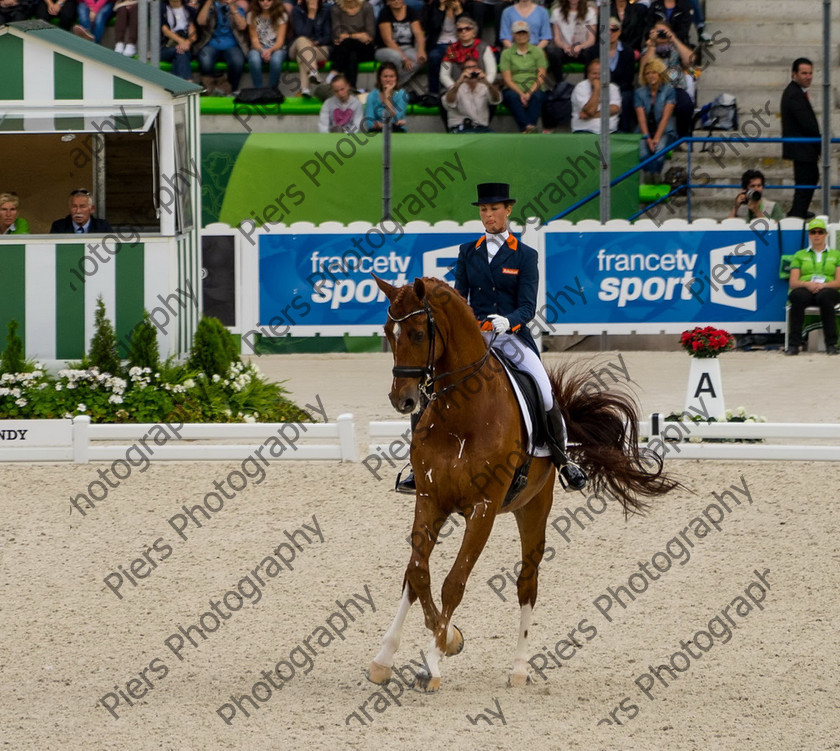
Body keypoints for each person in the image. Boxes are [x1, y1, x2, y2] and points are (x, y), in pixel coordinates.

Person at [395, 182, 587, 494]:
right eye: (484, 210)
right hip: (476, 337)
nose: (489, 215)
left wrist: (508, 320)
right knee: (428, 388)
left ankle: (563, 459)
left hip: (512, 338)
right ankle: (417, 465)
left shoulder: (525, 255)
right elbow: (459, 298)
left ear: (508, 210)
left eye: (494, 209)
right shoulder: (468, 252)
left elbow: (527, 306)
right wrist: (470, 324)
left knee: (543, 388)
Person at [785, 217, 840, 356]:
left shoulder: (836, 255)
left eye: (820, 232)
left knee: (826, 297)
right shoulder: (799, 255)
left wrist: (824, 285)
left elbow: (839, 281)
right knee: (797, 296)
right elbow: (793, 281)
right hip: (806, 288)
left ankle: (831, 344)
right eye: (813, 232)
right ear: (809, 234)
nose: (816, 235)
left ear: (825, 234)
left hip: (828, 289)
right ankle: (794, 345)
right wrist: (807, 284)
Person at [639, 20, 695, 137]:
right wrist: (653, 44)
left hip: (675, 88)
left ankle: (683, 137)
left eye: (664, 32)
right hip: (654, 89)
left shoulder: (675, 49)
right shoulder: (649, 49)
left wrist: (674, 39)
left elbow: (691, 60)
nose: (662, 35)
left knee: (686, 104)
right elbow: (644, 67)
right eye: (659, 32)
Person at [781, 57, 821, 219]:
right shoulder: (794, 94)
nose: (808, 76)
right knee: (805, 184)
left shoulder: (797, 92)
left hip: (804, 150)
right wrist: (819, 143)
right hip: (802, 149)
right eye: (804, 73)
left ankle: (798, 212)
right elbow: (808, 124)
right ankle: (796, 216)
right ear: (794, 74)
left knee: (808, 181)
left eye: (810, 73)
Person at [634, 56, 676, 183]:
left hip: (664, 131)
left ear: (660, 74)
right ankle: (651, 175)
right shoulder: (639, 93)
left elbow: (665, 117)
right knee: (643, 154)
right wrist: (647, 138)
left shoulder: (669, 91)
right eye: (647, 73)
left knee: (658, 154)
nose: (651, 76)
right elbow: (641, 118)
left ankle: (653, 176)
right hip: (644, 131)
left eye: (654, 72)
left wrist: (656, 138)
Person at [499, 20, 547, 133]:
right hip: (513, 89)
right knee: (511, 96)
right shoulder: (506, 53)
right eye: (518, 33)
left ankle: (526, 129)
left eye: (524, 33)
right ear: (513, 35)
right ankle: (528, 128)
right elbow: (507, 79)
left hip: (534, 88)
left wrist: (528, 93)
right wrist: (522, 94)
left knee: (538, 96)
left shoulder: (537, 51)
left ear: (529, 34)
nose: (521, 36)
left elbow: (541, 76)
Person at [196, 0, 249, 95]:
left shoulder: (237, 8)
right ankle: (208, 89)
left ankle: (231, 91)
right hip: (211, 45)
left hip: (232, 46)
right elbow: (201, 21)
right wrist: (208, 2)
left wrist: (232, 8)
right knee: (205, 60)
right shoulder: (211, 8)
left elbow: (242, 26)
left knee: (237, 62)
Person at [375, 0, 426, 90]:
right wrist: (404, 58)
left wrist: (421, 50)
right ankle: (391, 87)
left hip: (407, 47)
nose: (396, 1)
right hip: (385, 48)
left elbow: (418, 32)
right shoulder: (384, 12)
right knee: (397, 57)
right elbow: (388, 40)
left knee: (419, 60)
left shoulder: (410, 11)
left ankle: (393, 86)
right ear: (388, 1)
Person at [442, 56, 501, 132]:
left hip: (481, 128)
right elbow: (448, 103)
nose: (472, 70)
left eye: (474, 67)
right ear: (463, 71)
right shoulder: (456, 88)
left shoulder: (485, 87)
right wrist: (459, 82)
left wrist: (487, 82)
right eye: (468, 68)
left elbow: (497, 99)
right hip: (461, 127)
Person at [439, 15, 496, 91]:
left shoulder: (484, 48)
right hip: (456, 87)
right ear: (457, 34)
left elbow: (491, 72)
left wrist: (484, 87)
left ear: (474, 32)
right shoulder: (451, 50)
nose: (464, 31)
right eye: (460, 30)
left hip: (481, 87)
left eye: (467, 29)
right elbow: (444, 73)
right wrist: (453, 88)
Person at [289, 0, 332, 97]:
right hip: (296, 46)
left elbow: (328, 36)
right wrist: (311, 16)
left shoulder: (326, 10)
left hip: (319, 47)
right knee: (302, 41)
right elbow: (301, 33)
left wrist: (317, 42)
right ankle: (313, 71)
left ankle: (305, 89)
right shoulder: (297, 10)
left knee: (303, 54)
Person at [422, 0, 463, 100]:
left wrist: (458, 11)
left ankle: (454, 90)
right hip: (439, 43)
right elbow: (433, 26)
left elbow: (465, 27)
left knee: (452, 58)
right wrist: (441, 9)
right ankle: (433, 92)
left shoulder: (462, 6)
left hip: (456, 44)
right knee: (434, 56)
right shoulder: (433, 7)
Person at [330, 0, 376, 91]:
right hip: (345, 50)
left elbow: (370, 34)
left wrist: (348, 36)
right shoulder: (336, 9)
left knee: (347, 43)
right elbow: (338, 34)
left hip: (365, 50)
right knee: (351, 55)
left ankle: (334, 72)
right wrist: (360, 35)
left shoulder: (367, 7)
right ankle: (351, 88)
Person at [547, 0, 596, 83]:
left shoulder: (590, 12)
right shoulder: (556, 12)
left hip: (582, 49)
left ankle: (585, 84)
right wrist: (565, 47)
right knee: (552, 51)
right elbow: (557, 39)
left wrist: (580, 47)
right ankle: (560, 84)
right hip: (565, 49)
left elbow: (591, 40)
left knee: (592, 52)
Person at [571, 58, 620, 134]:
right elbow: (590, 111)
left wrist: (591, 116)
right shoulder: (581, 87)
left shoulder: (613, 88)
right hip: (584, 130)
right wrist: (597, 89)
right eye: (594, 73)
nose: (597, 76)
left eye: (601, 73)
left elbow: (615, 109)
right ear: (588, 74)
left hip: (610, 132)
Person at [247, 0, 288, 90]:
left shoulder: (281, 15)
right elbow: (254, 39)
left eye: (269, 0)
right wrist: (262, 50)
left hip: (277, 48)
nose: (265, 2)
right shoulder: (251, 15)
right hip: (258, 47)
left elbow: (280, 41)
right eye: (262, 0)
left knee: (276, 60)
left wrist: (270, 50)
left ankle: (272, 90)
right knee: (254, 59)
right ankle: (258, 90)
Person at [606, 15, 637, 132]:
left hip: (622, 89)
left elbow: (628, 79)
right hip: (599, 89)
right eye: (606, 30)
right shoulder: (593, 51)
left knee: (625, 97)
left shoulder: (628, 51)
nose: (610, 33)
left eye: (614, 29)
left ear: (619, 31)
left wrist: (612, 91)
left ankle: (624, 131)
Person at [363, 61, 409, 131]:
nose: (388, 80)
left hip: (396, 131)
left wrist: (387, 95)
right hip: (377, 131)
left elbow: (396, 118)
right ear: (379, 78)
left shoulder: (402, 95)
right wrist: (378, 125)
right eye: (385, 76)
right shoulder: (371, 96)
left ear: (396, 78)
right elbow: (369, 122)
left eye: (391, 76)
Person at [160, 0, 199, 80]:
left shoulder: (189, 10)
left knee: (180, 54)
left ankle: (179, 87)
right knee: (180, 52)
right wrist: (181, 42)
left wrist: (187, 43)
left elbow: (193, 34)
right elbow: (165, 31)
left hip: (186, 48)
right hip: (165, 47)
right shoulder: (161, 9)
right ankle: (188, 83)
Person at [50, 189, 114, 234]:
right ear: (69, 208)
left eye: (82, 207)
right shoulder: (59, 227)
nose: (78, 211)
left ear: (92, 209)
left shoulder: (102, 227)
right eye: (74, 206)